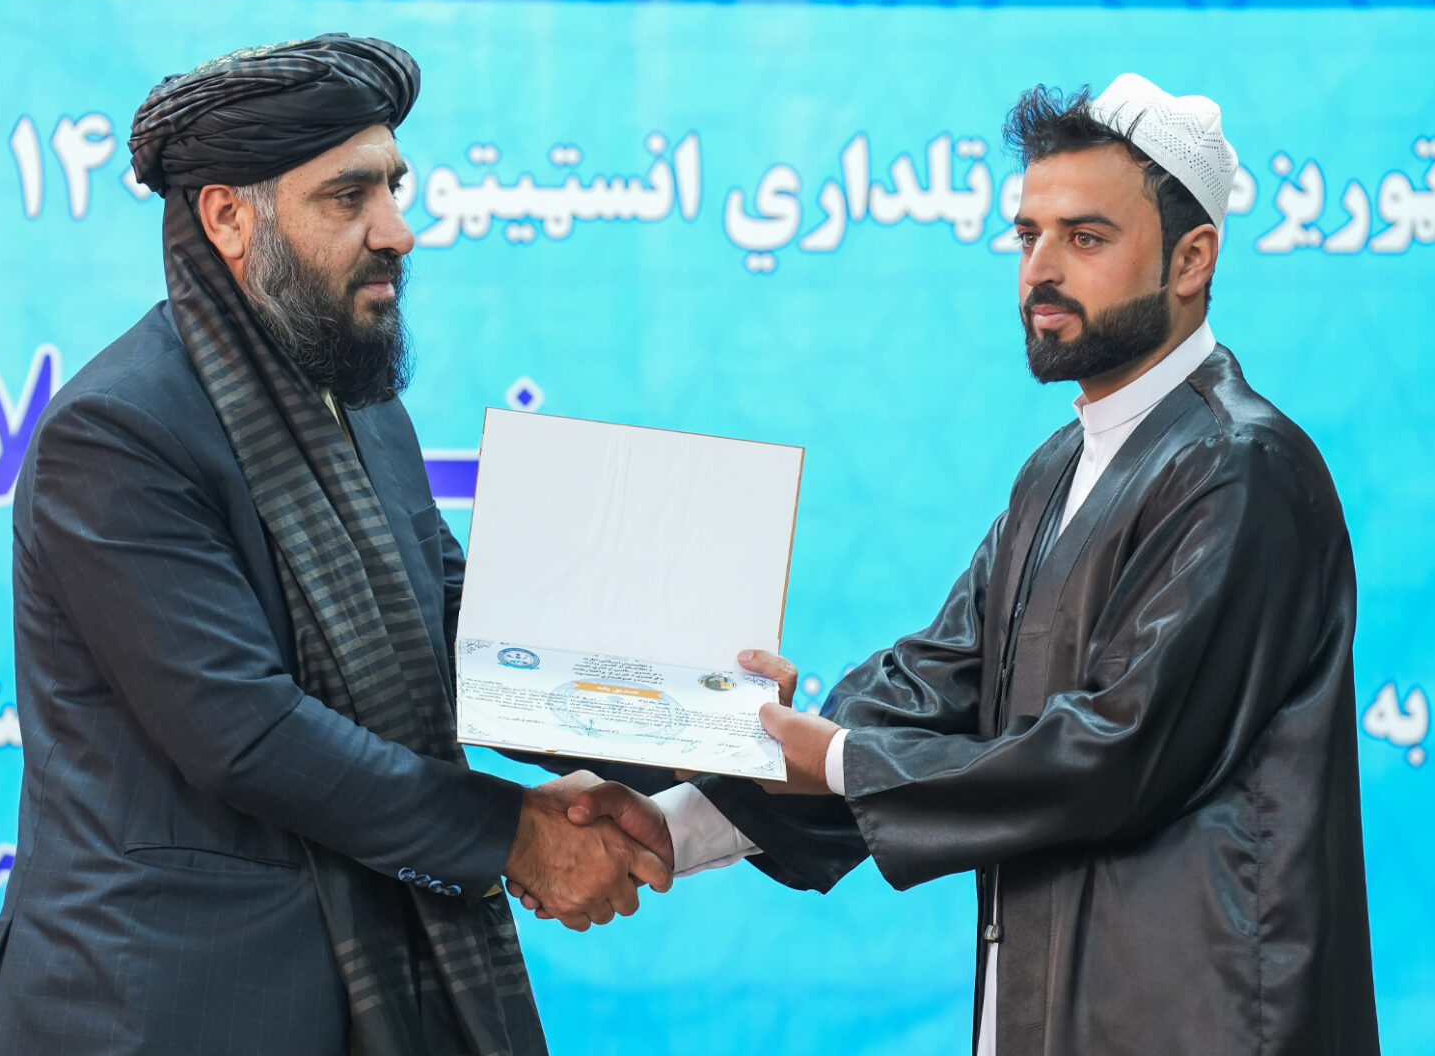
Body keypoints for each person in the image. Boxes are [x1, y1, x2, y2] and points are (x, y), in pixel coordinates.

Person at [520, 74, 1380, 1055]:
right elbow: (929, 693)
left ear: (1192, 260)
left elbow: (1114, 753)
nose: (1040, 272)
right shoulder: (1061, 469)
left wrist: (828, 756)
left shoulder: (1241, 467)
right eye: (1028, 236)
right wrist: (679, 819)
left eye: (1085, 238)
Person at [0, 35, 669, 1056]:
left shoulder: (359, 404)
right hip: (167, 1010)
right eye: (348, 198)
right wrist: (511, 835)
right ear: (228, 217)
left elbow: (461, 634)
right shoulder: (117, 433)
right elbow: (247, 733)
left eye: (393, 187)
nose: (398, 231)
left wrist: (692, 722)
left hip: (366, 980)